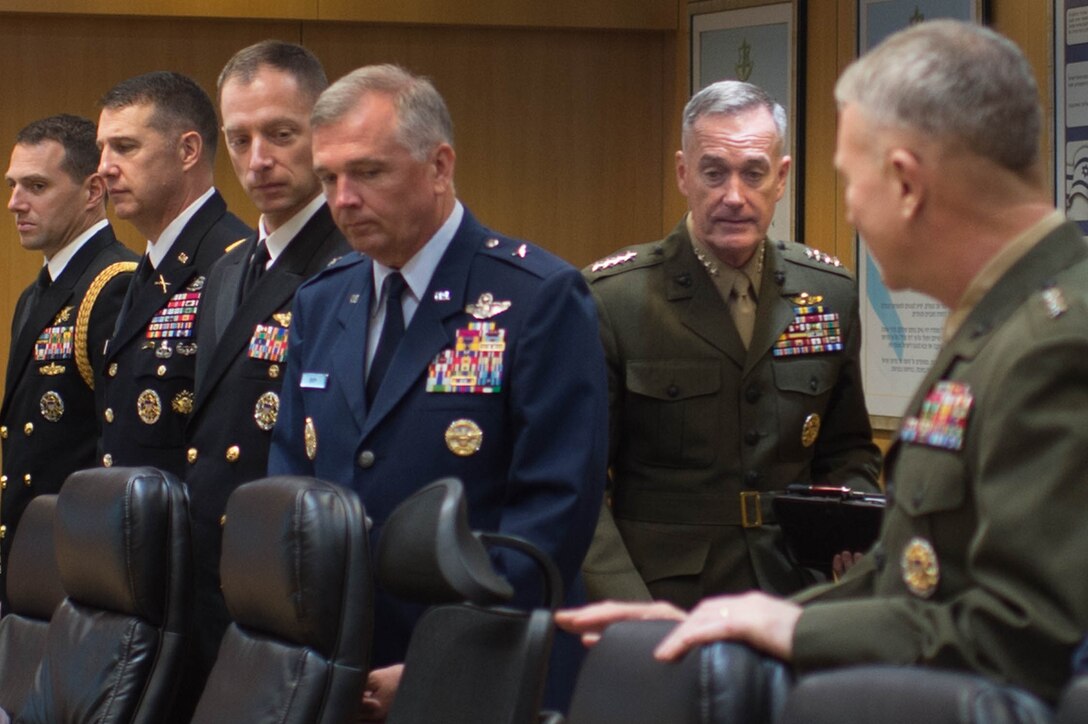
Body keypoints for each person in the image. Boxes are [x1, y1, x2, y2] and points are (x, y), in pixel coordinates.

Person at [558, 19, 1088, 708]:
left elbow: (1019, 634)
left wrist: (797, 626)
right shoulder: (1000, 328)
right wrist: (763, 621)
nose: (847, 210)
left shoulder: (1054, 346)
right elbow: (917, 577)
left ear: (904, 182)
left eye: (848, 179)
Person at [267, 64, 608, 717]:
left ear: (439, 166)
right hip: (344, 664)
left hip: (487, 664)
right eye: (329, 178)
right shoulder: (321, 299)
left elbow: (551, 517)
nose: (342, 198)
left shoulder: (535, 299)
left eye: (368, 173)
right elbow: (292, 481)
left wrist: (442, 660)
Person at [581, 80, 880, 608]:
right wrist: (626, 608)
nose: (734, 197)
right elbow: (581, 486)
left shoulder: (829, 292)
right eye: (714, 172)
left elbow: (847, 448)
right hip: (663, 598)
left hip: (795, 591)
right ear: (683, 173)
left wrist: (848, 529)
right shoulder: (615, 299)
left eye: (754, 173)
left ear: (781, 178)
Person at [183, 39, 348, 698]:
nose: (258, 160)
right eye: (240, 137)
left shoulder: (352, 265)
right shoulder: (226, 271)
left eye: (282, 133)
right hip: (215, 576)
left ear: (324, 132)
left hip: (294, 582)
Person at [0, 115, 137, 611]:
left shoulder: (114, 283)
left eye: (37, 186)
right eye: (14, 185)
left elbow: (112, 442)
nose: (16, 202)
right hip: (29, 557)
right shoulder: (36, 295)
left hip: (76, 566)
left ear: (92, 191)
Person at [95, 71, 251, 478]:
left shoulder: (233, 263)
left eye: (125, 147)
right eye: (102, 149)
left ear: (187, 150)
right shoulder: (148, 265)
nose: (104, 168)